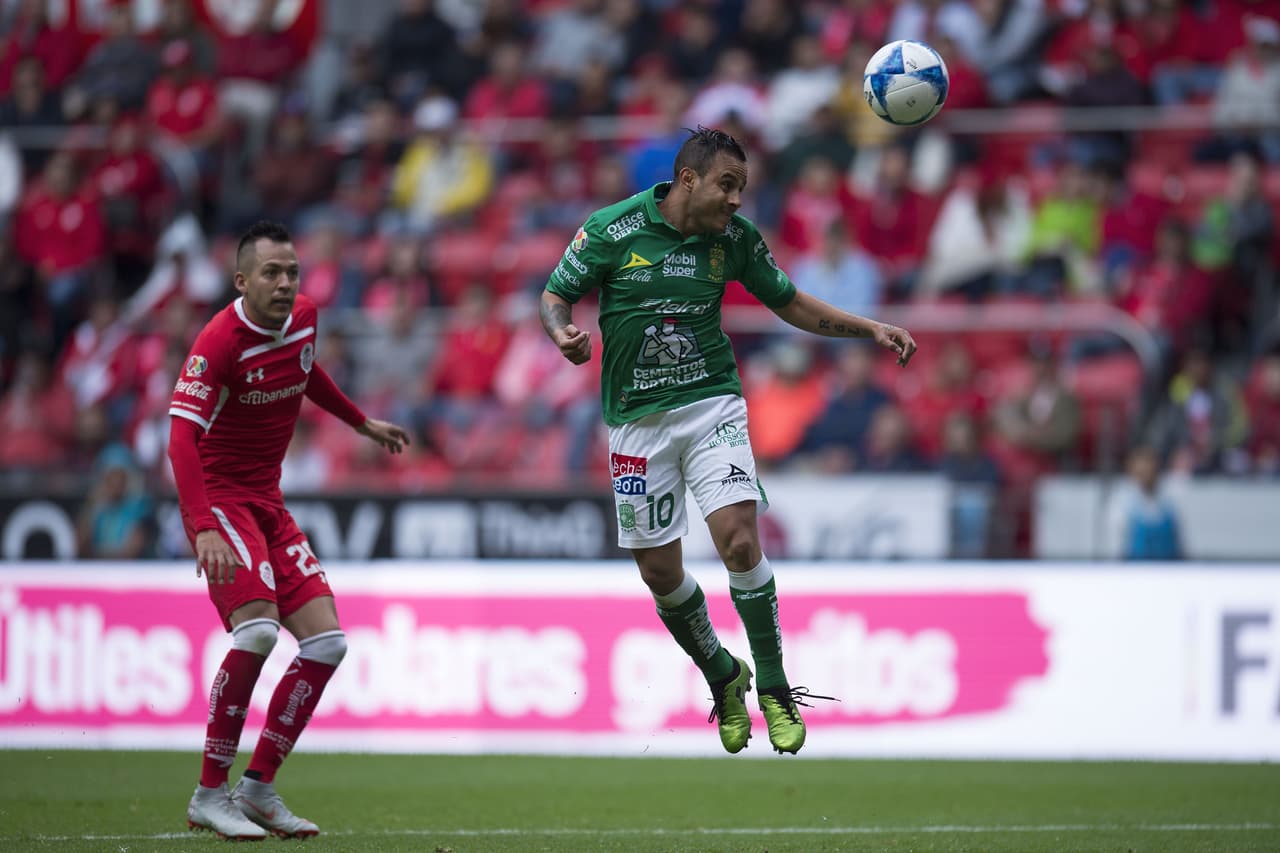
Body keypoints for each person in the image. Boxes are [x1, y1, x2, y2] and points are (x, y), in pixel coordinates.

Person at [539, 127, 917, 755]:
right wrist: (562, 333)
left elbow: (789, 302)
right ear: (688, 179)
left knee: (739, 541)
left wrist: (869, 328)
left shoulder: (734, 240)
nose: (737, 199)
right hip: (635, 422)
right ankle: (722, 673)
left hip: (712, 404)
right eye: (728, 185)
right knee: (660, 572)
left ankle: (774, 686)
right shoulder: (611, 229)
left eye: (742, 187)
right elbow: (556, 295)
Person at [168, 221, 409, 840]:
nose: (284, 284)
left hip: (268, 500)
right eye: (271, 273)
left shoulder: (304, 317)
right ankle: (209, 793)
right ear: (241, 281)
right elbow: (181, 440)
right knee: (257, 631)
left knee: (327, 643)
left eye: (292, 272)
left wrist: (360, 422)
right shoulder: (217, 342)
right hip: (222, 498)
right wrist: (203, 528)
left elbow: (306, 370)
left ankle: (257, 787)